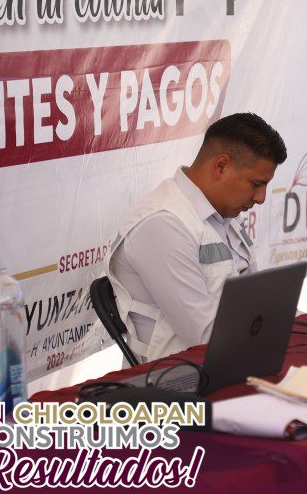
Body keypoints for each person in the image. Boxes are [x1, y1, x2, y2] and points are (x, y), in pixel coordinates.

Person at [106, 113, 287, 363]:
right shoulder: (163, 224)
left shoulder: (224, 216)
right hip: (176, 382)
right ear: (221, 166)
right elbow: (205, 336)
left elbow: (254, 302)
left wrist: (293, 319)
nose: (261, 198)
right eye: (256, 184)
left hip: (232, 361)